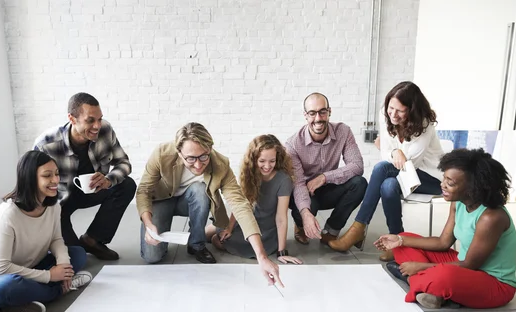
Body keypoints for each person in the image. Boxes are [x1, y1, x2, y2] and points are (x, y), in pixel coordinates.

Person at [136, 122, 283, 286]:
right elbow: (143, 190)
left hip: (192, 199)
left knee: (201, 190)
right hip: (161, 200)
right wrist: (149, 224)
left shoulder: (220, 164)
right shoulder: (162, 154)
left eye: (203, 156)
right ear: (179, 152)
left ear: (210, 149)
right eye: (191, 159)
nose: (198, 165)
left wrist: (261, 256)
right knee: (152, 257)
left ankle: (196, 245)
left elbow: (240, 205)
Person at [375, 148, 516, 309]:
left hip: (493, 283)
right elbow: (443, 242)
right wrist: (400, 240)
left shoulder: (491, 218)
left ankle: (412, 279)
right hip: (462, 265)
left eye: (450, 183)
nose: (442, 185)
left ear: (473, 187)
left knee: (445, 275)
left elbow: (470, 265)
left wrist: (419, 266)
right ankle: (433, 288)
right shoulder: (458, 203)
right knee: (404, 241)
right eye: (444, 179)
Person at [0, 151, 93, 312]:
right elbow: (0, 269)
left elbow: (56, 239)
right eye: (47, 175)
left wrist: (64, 267)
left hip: (26, 268)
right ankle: (59, 290)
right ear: (30, 178)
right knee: (10, 286)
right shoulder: (8, 214)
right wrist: (49, 276)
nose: (55, 180)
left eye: (57, 174)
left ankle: (18, 302)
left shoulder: (53, 206)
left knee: (77, 254)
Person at [329, 82, 444, 260]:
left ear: (412, 110)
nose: (393, 114)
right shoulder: (387, 114)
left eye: (400, 111)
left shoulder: (424, 125)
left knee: (382, 169)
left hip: (431, 179)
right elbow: (386, 153)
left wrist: (394, 150)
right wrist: (393, 151)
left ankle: (358, 227)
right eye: (391, 108)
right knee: (388, 185)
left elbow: (410, 163)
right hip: (403, 174)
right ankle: (398, 241)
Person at [34, 92, 136, 261]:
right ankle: (64, 244)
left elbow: (124, 163)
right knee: (76, 258)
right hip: (59, 203)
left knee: (127, 185)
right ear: (72, 119)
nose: (97, 126)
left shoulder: (105, 130)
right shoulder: (46, 144)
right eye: (90, 120)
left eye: (100, 119)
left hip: (93, 190)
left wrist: (109, 179)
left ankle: (93, 239)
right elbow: (34, 185)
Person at [286, 92, 367, 248]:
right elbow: (298, 184)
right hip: (305, 191)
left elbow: (357, 165)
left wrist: (324, 177)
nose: (318, 118)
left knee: (359, 183)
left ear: (329, 111)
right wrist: (306, 214)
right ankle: (301, 226)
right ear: (305, 115)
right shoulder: (292, 145)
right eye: (312, 113)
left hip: (330, 188)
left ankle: (331, 230)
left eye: (322, 112)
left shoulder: (343, 131)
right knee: (304, 207)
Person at [207, 135, 302, 264]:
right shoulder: (250, 174)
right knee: (210, 231)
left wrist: (282, 252)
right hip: (248, 221)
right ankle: (194, 238)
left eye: (272, 161)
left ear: (277, 158)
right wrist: (229, 227)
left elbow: (281, 218)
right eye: (262, 161)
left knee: (215, 240)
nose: (267, 166)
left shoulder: (283, 180)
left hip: (265, 231)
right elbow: (240, 205)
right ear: (254, 159)